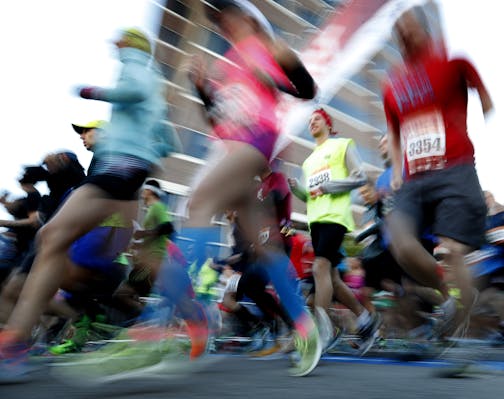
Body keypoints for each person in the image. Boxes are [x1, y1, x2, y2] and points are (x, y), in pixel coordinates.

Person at [0, 27, 181, 382]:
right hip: (127, 173)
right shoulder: (151, 87)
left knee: (52, 239)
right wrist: (147, 153)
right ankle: (156, 325)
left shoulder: (135, 65)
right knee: (52, 242)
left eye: (87, 132)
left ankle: (20, 341)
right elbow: (169, 139)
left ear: (130, 44)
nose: (83, 137)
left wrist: (90, 92)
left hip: (120, 171)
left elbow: (136, 91)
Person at [185, 0, 321, 376]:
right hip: (238, 152)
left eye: (226, 15)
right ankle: (305, 327)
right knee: (265, 248)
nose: (222, 23)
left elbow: (307, 89)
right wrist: (202, 91)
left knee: (198, 204)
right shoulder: (224, 65)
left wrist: (275, 76)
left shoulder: (267, 47)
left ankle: (168, 318)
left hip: (258, 143)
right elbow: (218, 122)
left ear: (246, 17)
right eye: (217, 19)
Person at [382, 5, 493, 339]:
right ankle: (455, 297)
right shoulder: (392, 85)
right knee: (401, 246)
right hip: (413, 181)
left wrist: (473, 123)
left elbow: (486, 100)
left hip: (453, 169)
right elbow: (394, 133)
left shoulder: (452, 62)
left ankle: (463, 332)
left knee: (450, 250)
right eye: (397, 28)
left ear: (424, 27)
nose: (403, 31)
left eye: (409, 24)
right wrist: (398, 171)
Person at [288, 107, 381, 354]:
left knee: (320, 267)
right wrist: (297, 188)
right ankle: (365, 320)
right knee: (334, 280)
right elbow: (310, 195)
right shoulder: (308, 161)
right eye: (309, 121)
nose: (312, 123)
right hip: (316, 221)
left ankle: (321, 329)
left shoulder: (342, 145)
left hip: (336, 218)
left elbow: (359, 177)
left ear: (328, 123)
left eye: (317, 118)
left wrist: (331, 186)